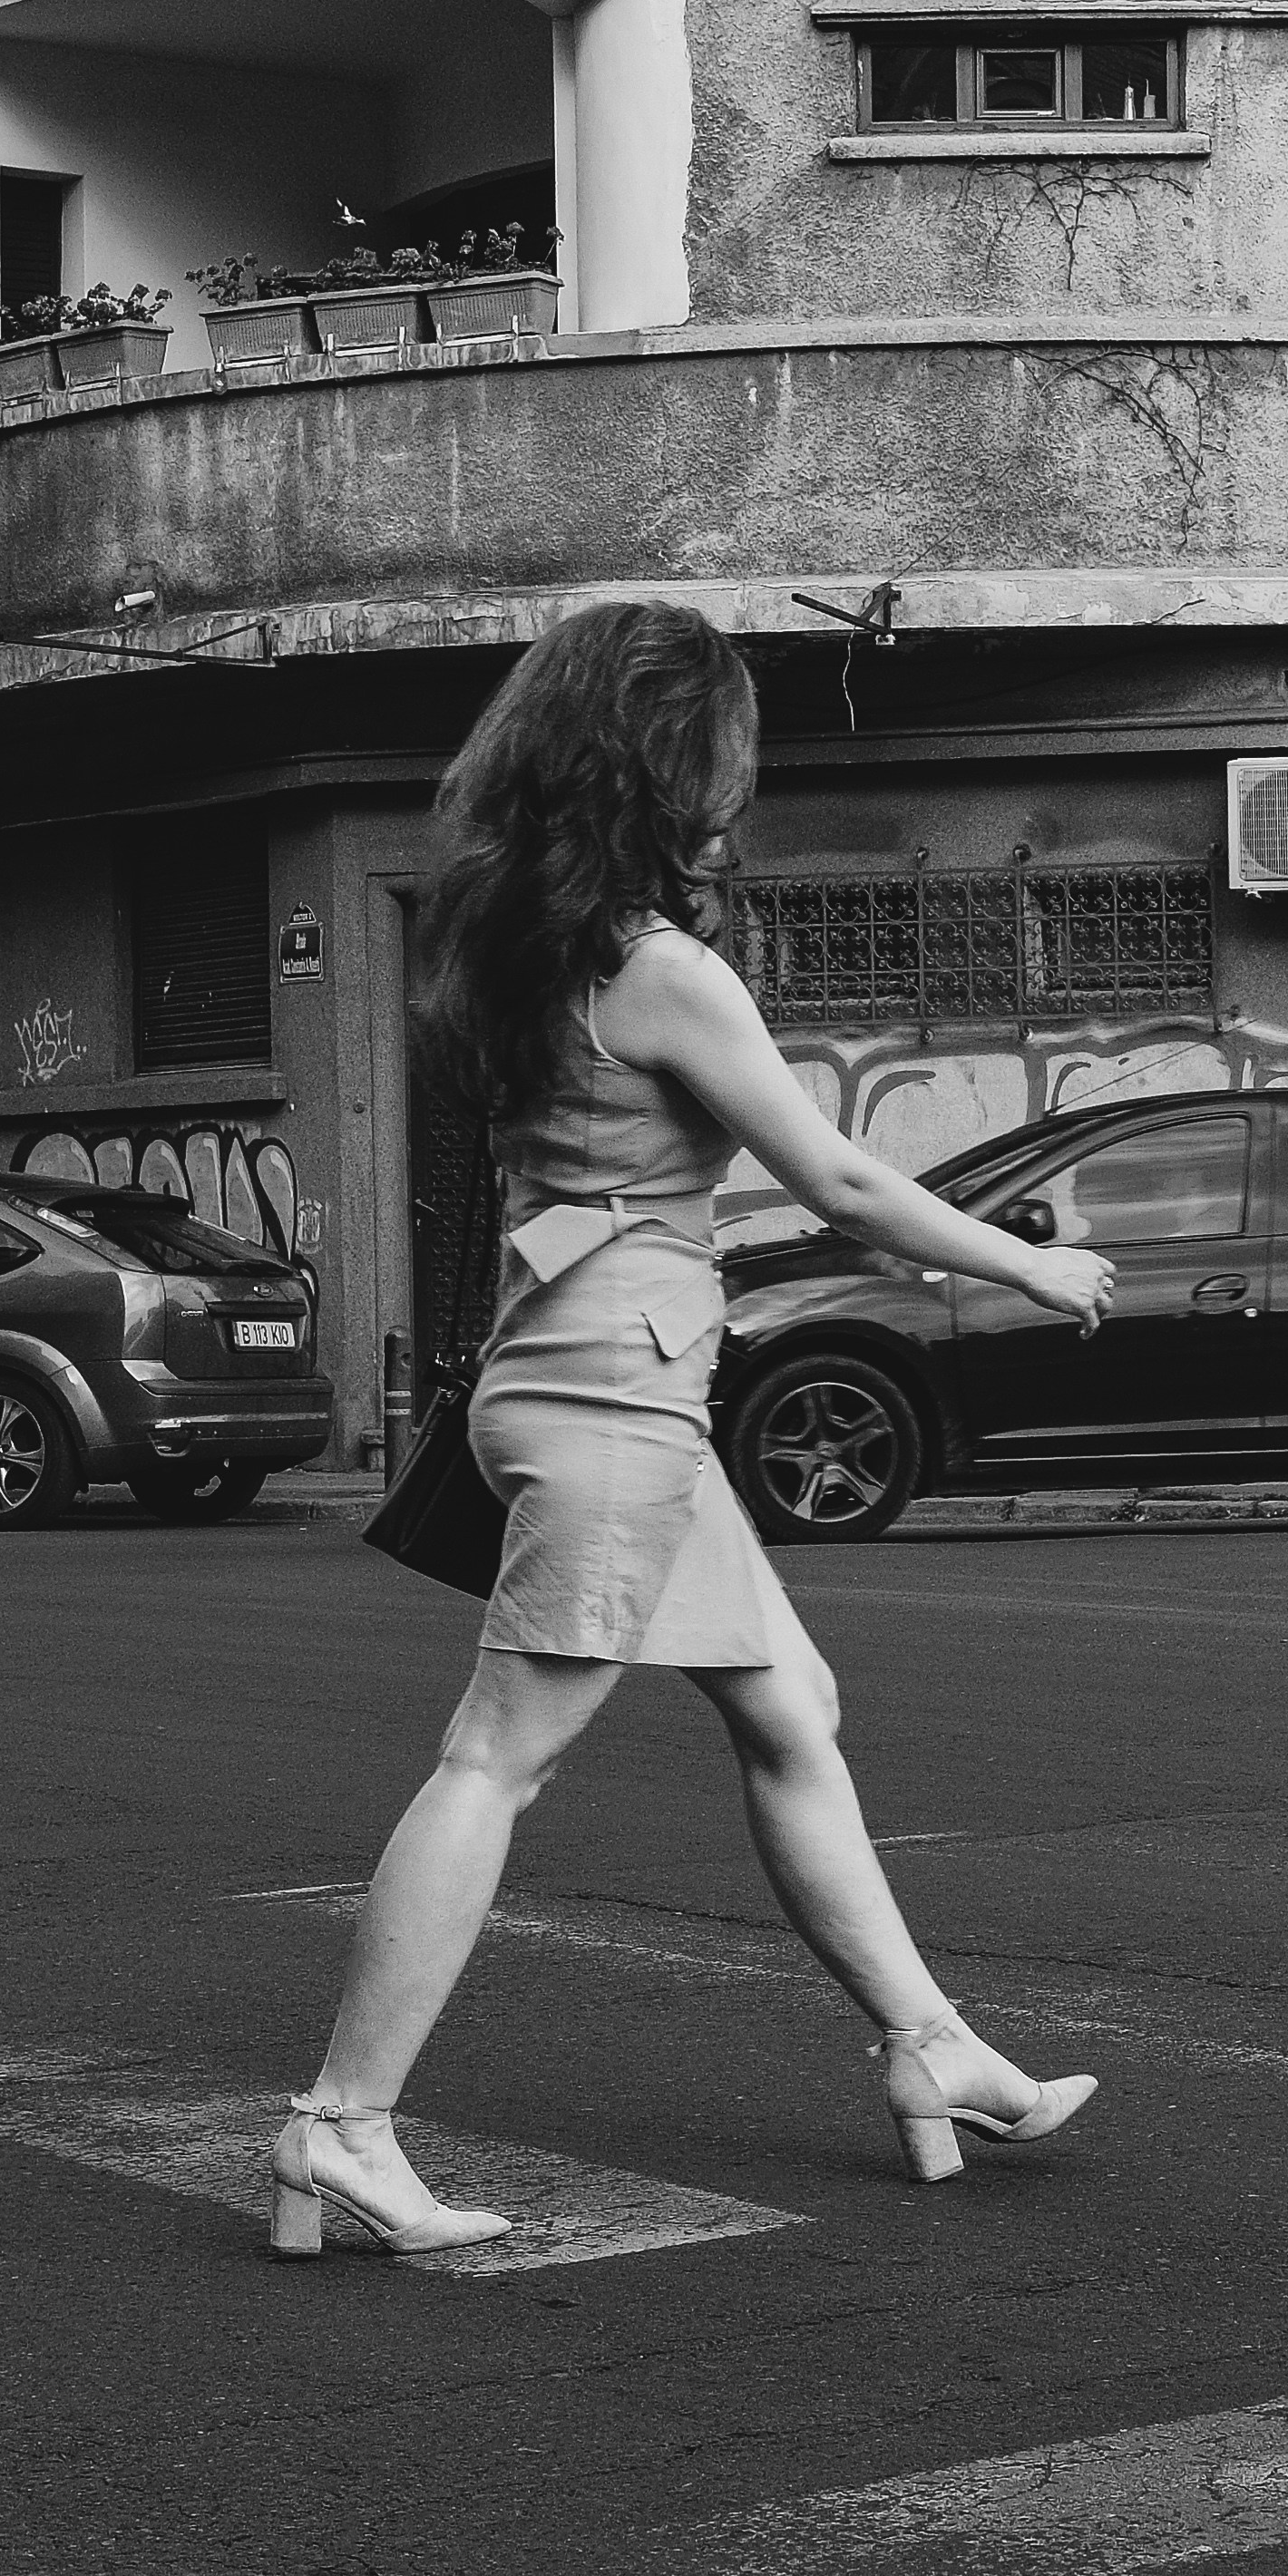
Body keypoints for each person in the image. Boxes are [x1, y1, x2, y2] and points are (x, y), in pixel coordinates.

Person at [275, 602, 1121, 2260]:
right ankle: (340, 2127)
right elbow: (845, 1179)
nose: (742, 793)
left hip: (584, 1366)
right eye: (723, 762)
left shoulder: (503, 936)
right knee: (489, 1761)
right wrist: (1038, 1263)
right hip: (614, 1402)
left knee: (794, 1706)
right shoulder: (663, 972)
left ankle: (928, 2045)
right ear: (665, 770)